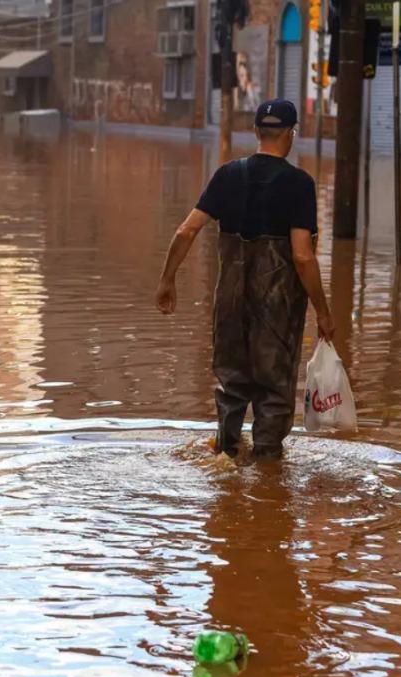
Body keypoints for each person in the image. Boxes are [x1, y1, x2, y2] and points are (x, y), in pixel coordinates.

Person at [154, 98, 334, 459]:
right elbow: (301, 256)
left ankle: (226, 458)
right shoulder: (298, 184)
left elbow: (187, 230)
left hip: (230, 303)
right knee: (273, 391)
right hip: (277, 309)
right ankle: (267, 481)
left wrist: (167, 280)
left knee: (232, 385)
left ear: (255, 132)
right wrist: (323, 311)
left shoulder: (227, 175)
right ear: (291, 135)